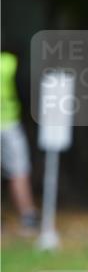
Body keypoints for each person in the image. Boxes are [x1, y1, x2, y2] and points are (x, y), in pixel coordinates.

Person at [1, 51, 39, 235]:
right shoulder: (10, 62)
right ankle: (28, 216)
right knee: (19, 171)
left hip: (10, 124)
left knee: (19, 171)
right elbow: (25, 93)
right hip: (10, 124)